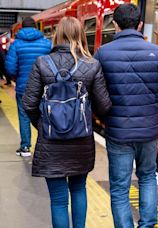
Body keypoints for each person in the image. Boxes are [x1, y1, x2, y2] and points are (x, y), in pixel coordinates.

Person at [22, 17, 112, 228]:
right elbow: (104, 106)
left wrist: (45, 125)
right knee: (79, 190)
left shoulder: (42, 63)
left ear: (57, 34)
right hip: (80, 142)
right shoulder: (92, 66)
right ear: (80, 35)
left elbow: (28, 104)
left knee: (59, 200)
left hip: (51, 143)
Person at [94, 3, 158, 228]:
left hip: (118, 132)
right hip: (149, 131)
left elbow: (97, 95)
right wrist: (153, 117)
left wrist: (105, 118)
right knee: (147, 177)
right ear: (140, 25)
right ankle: (147, 226)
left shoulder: (103, 53)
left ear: (115, 25)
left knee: (120, 186)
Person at [5, 17, 52, 156]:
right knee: (44, 115)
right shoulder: (46, 43)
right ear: (36, 27)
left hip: (23, 86)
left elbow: (10, 68)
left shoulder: (16, 44)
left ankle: (25, 147)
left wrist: (18, 77)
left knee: (24, 115)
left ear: (21, 28)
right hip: (44, 87)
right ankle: (45, 146)